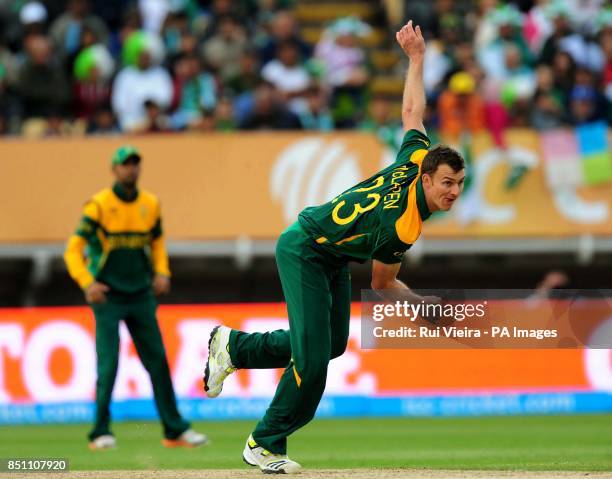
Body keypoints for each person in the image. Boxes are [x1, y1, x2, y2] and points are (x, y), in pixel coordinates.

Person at [204, 20, 465, 474]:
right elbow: (384, 285)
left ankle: (235, 347)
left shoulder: (414, 158)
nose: (453, 192)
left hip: (330, 255)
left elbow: (411, 114)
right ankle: (264, 443)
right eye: (447, 183)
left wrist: (417, 58)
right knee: (312, 363)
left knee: (330, 347)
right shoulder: (403, 225)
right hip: (305, 248)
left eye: (460, 184)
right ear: (426, 178)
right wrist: (424, 308)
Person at [64, 146, 206, 450]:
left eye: (135, 164)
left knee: (157, 362)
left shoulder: (150, 204)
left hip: (140, 294)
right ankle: (100, 431)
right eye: (126, 165)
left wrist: (162, 272)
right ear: (114, 169)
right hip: (108, 297)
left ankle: (174, 430)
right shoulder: (99, 206)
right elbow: (73, 250)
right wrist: (87, 282)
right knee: (109, 364)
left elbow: (157, 243)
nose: (131, 169)